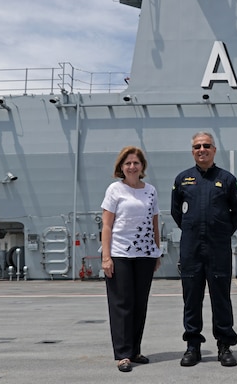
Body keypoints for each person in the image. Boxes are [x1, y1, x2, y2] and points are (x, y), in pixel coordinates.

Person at [171, 132, 237, 367]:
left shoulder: (226, 179)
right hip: (191, 248)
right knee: (191, 298)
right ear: (192, 151)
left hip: (218, 248)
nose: (201, 149)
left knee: (221, 298)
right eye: (197, 146)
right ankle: (193, 346)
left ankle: (224, 345)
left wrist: (223, 232)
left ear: (214, 150)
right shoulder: (182, 180)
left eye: (206, 146)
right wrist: (192, 230)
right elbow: (176, 213)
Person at [101, 146, 162, 373]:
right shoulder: (115, 190)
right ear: (121, 167)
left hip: (145, 255)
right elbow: (107, 225)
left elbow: (155, 222)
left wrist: (156, 251)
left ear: (142, 166)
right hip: (120, 254)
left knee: (139, 303)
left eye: (136, 163)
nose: (132, 166)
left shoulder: (151, 191)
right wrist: (106, 257)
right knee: (122, 304)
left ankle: (135, 349)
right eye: (128, 163)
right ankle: (123, 354)